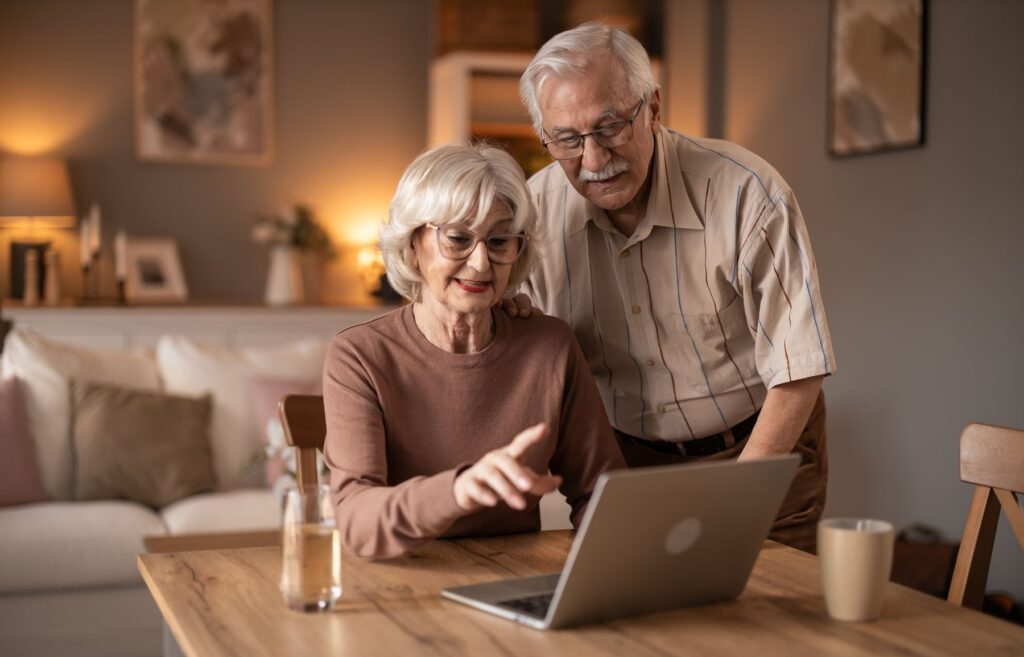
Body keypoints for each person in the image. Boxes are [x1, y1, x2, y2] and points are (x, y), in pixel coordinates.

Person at [515, 22, 836, 553]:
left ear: (653, 109)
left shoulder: (746, 193)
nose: (593, 160)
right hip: (627, 463)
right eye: (567, 140)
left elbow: (799, 366)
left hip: (759, 445)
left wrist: (738, 501)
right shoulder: (532, 218)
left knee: (772, 606)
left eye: (610, 127)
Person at [323, 143, 625, 559]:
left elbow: (601, 496)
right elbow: (356, 520)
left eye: (499, 241)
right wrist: (458, 491)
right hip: (403, 578)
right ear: (412, 244)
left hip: (512, 578)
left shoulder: (550, 346)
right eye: (458, 238)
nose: (482, 263)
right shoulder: (359, 355)